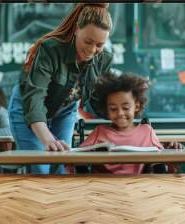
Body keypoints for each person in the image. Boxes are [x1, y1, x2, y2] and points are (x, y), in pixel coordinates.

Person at [8, 3, 113, 174]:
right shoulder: (50, 49)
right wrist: (47, 139)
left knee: (62, 166)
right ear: (77, 29)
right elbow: (34, 97)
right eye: (88, 41)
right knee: (40, 168)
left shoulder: (105, 59)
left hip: (65, 111)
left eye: (99, 45)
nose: (92, 50)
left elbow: (99, 100)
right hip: (27, 107)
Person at [78, 72, 185, 174]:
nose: (120, 113)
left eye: (125, 108)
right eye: (113, 109)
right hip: (102, 188)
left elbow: (163, 163)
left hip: (138, 187)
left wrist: (173, 150)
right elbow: (75, 159)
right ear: (107, 109)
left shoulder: (146, 131)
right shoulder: (100, 132)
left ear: (137, 107)